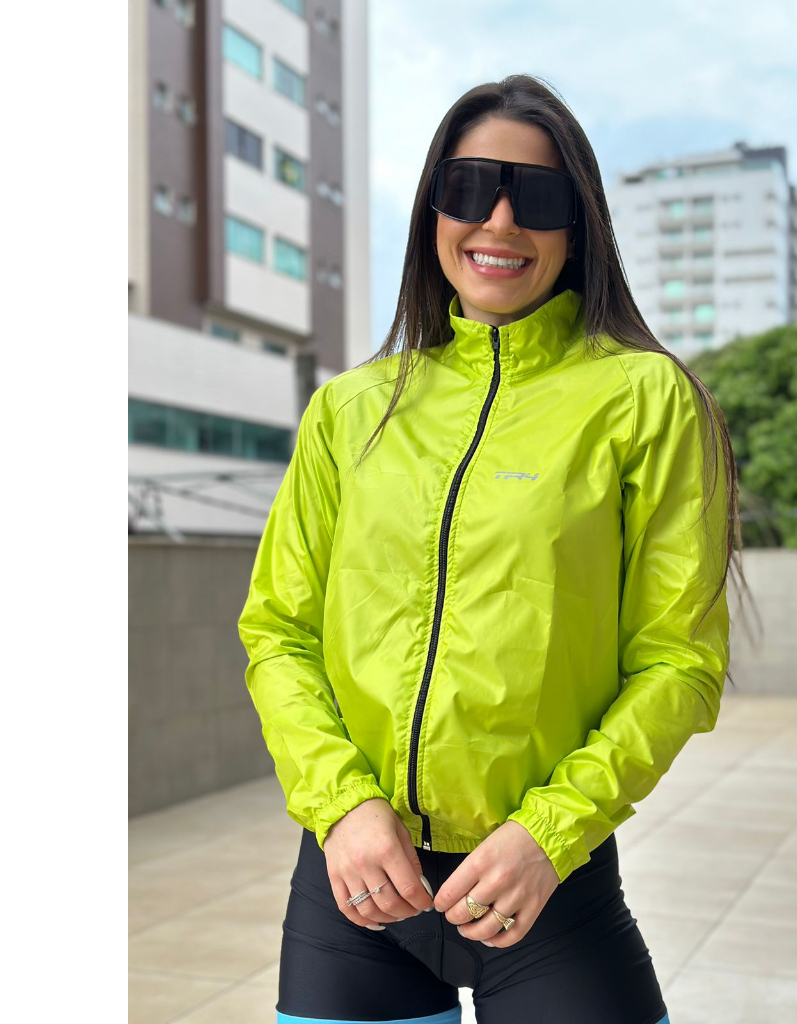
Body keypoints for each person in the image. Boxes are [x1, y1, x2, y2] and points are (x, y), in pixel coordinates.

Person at [238, 73, 746, 1024]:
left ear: (578, 227)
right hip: (356, 882)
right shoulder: (350, 409)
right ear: (434, 208)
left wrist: (550, 833)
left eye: (538, 197)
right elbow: (278, 632)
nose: (500, 221)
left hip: (545, 883)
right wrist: (341, 806)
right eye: (470, 188)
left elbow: (680, 662)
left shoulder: (645, 399)